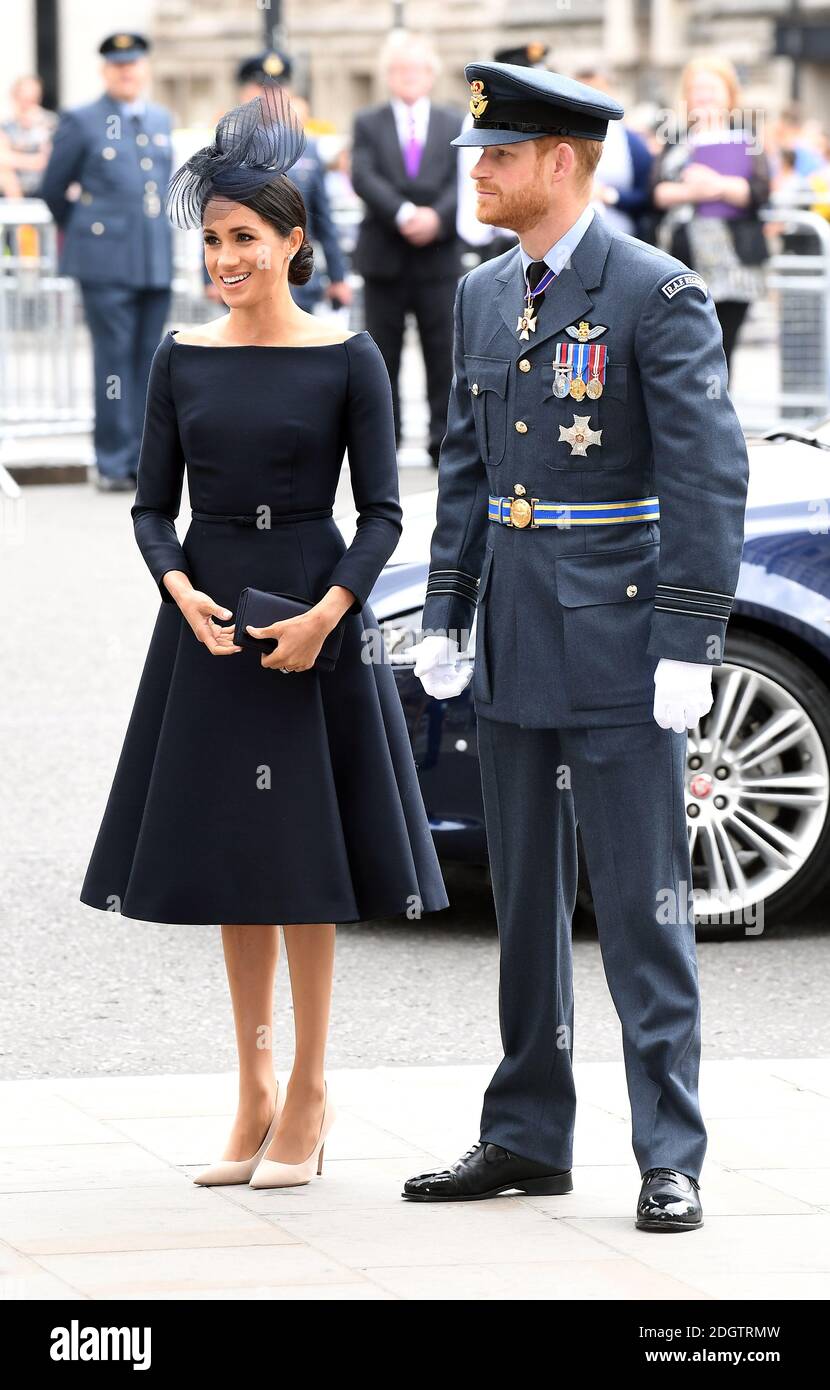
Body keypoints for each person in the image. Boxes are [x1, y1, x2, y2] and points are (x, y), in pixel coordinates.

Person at [79, 86, 449, 1190]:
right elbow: (150, 507)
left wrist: (331, 614)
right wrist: (179, 588)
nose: (223, 257)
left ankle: (312, 1091)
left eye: (244, 238)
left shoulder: (348, 357)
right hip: (209, 626)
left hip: (308, 618)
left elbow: (383, 512)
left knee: (299, 862)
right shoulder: (179, 355)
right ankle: (249, 1090)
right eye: (210, 240)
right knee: (240, 866)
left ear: (293, 241)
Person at [404, 62, 749, 1230]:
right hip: (508, 631)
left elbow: (707, 472)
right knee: (524, 906)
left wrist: (687, 637)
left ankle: (668, 1148)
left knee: (644, 905)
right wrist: (447, 607)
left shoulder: (652, 293)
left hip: (615, 635)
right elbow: (463, 461)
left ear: (559, 161)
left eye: (497, 156)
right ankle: (523, 1133)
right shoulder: (483, 295)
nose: (481, 174)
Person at [38, 33, 174, 491]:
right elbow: (55, 187)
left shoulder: (159, 117)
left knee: (149, 361)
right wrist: (89, 229)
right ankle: (113, 459)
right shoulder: (82, 119)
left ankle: (141, 457)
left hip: (152, 258)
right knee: (114, 362)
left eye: (133, 64)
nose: (127, 72)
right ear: (105, 71)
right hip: (105, 262)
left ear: (145, 68)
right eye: (118, 66)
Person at [351, 31, 464, 466]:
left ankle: (443, 440)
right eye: (399, 69)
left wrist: (436, 217)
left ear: (431, 75)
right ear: (387, 76)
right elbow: (363, 175)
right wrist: (402, 213)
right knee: (381, 353)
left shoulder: (454, 122)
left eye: (416, 69)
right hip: (384, 254)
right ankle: (385, 439)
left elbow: (464, 179)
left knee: (443, 351)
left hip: (438, 256)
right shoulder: (369, 121)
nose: (408, 77)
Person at [650, 56, 770, 372]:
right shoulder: (675, 139)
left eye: (712, 89)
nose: (704, 97)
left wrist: (717, 184)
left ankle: (720, 414)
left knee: (724, 346)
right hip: (684, 255)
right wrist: (695, 191)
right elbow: (658, 192)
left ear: (729, 94)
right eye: (697, 90)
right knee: (685, 345)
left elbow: (758, 193)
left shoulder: (747, 138)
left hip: (735, 259)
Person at [236, 48, 352, 317]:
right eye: (262, 88)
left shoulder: (306, 148)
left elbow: (323, 218)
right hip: (248, 273)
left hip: (297, 277)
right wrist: (210, 280)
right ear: (246, 93)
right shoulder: (230, 148)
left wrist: (338, 276)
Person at [0, 74, 57, 198]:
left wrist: (39, 126)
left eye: (33, 100)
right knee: (4, 171)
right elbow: (2, 158)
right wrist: (30, 161)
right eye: (24, 99)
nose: (27, 105)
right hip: (13, 189)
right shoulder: (6, 126)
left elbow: (47, 159)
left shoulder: (49, 123)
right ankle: (18, 209)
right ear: (14, 98)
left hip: (41, 185)